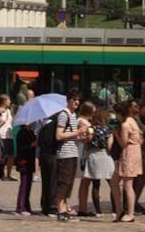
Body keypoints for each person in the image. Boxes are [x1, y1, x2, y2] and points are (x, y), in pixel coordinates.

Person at [54, 88, 87, 222]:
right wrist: (78, 131)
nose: (77, 102)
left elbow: (71, 135)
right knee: (64, 182)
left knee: (69, 183)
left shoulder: (73, 115)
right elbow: (59, 135)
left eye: (78, 99)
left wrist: (80, 137)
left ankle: (65, 208)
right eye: (74, 99)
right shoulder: (64, 114)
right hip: (65, 154)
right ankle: (60, 210)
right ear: (68, 100)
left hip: (73, 152)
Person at [82, 107, 115, 216]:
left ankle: (98, 210)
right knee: (112, 183)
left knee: (96, 184)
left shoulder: (91, 128)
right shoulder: (108, 129)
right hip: (105, 155)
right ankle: (115, 208)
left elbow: (88, 140)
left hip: (93, 155)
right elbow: (110, 146)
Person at [114, 100, 143, 222]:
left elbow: (123, 142)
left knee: (128, 184)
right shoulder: (132, 121)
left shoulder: (125, 124)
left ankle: (130, 213)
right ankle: (119, 210)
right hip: (134, 151)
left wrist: (116, 134)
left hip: (129, 153)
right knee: (114, 181)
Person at [14, 121, 37, 215]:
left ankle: (27, 206)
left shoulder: (31, 132)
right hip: (23, 161)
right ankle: (20, 207)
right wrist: (32, 145)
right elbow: (21, 148)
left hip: (30, 161)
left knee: (28, 184)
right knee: (24, 184)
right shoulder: (21, 133)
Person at [0, 94, 16, 181]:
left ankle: (9, 174)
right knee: (3, 156)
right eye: (8, 100)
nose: (10, 102)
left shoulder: (8, 111)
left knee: (11, 156)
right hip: (2, 135)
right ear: (4, 101)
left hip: (9, 135)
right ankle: (2, 174)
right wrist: (2, 122)